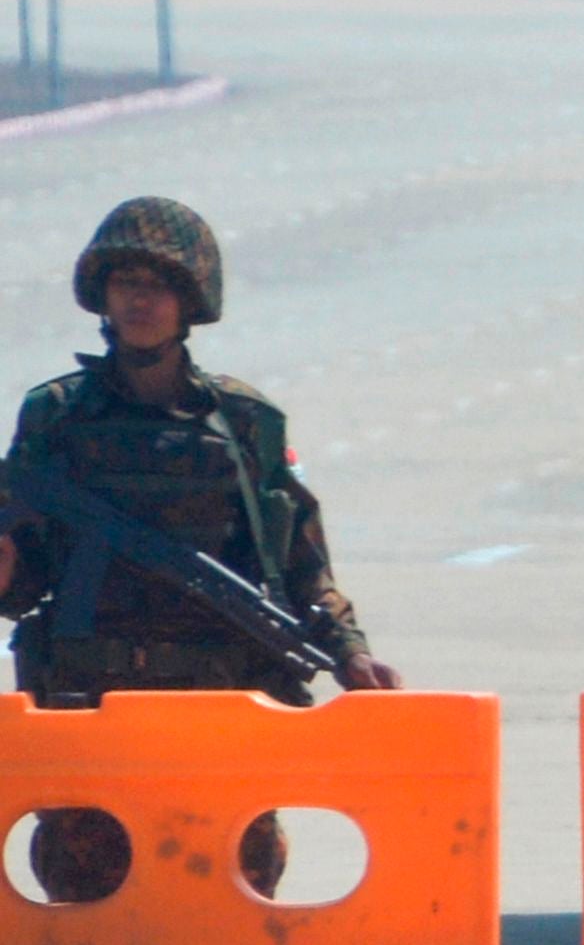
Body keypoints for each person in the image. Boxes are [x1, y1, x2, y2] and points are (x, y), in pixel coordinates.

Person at [0, 198, 400, 902]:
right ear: (103, 297)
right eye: (125, 281)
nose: (140, 299)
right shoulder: (54, 416)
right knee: (83, 892)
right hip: (93, 705)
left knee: (233, 889)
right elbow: (22, 578)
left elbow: (300, 563)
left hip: (219, 707)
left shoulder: (245, 424)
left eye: (158, 284)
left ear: (191, 301)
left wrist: (348, 652)